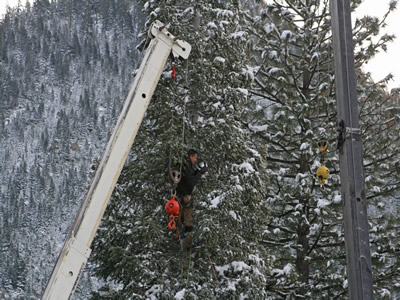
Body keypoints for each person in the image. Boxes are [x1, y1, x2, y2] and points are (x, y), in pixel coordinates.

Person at [176, 149, 208, 250]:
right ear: (191, 156)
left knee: (181, 219)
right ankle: (187, 246)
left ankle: (182, 242)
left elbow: (188, 178)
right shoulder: (186, 166)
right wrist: (199, 173)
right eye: (195, 157)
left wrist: (198, 171)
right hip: (185, 197)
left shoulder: (184, 165)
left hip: (180, 196)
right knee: (187, 221)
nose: (195, 159)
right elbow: (191, 182)